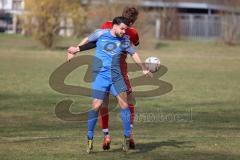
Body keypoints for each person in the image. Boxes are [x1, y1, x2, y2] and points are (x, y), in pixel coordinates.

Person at [67, 16, 152, 153]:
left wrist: (143, 67)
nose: (125, 31)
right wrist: (75, 50)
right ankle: (90, 137)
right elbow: (89, 42)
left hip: (116, 77)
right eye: (122, 28)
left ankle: (126, 136)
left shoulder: (124, 40)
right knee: (96, 105)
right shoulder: (100, 33)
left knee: (124, 105)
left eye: (126, 29)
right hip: (100, 76)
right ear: (114, 26)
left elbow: (134, 53)